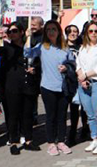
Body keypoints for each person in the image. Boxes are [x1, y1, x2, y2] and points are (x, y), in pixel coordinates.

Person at [0, 23, 41, 155]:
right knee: (13, 115)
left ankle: (28, 140)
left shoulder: (29, 46)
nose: (12, 34)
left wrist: (34, 69)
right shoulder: (7, 47)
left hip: (28, 85)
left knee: (27, 114)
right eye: (10, 32)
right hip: (12, 87)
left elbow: (37, 61)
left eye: (15, 31)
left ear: (21, 32)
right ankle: (13, 141)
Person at [28, 20, 74, 156]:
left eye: (54, 29)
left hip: (63, 87)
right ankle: (51, 143)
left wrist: (66, 67)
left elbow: (73, 64)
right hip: (48, 87)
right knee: (51, 116)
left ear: (59, 31)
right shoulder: (42, 47)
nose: (51, 32)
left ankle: (61, 141)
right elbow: (28, 53)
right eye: (48, 29)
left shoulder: (65, 47)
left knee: (62, 116)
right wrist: (28, 37)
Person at [76, 23, 97, 154]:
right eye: (91, 31)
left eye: (96, 31)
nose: (93, 33)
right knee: (90, 115)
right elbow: (78, 63)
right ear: (87, 33)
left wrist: (85, 75)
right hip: (84, 84)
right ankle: (94, 138)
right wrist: (82, 77)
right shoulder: (83, 48)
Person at [65, 25, 88, 145]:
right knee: (72, 108)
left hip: (81, 79)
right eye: (70, 31)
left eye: (75, 31)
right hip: (68, 81)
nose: (73, 33)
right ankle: (71, 133)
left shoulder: (82, 47)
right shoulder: (63, 46)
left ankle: (85, 129)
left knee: (83, 107)